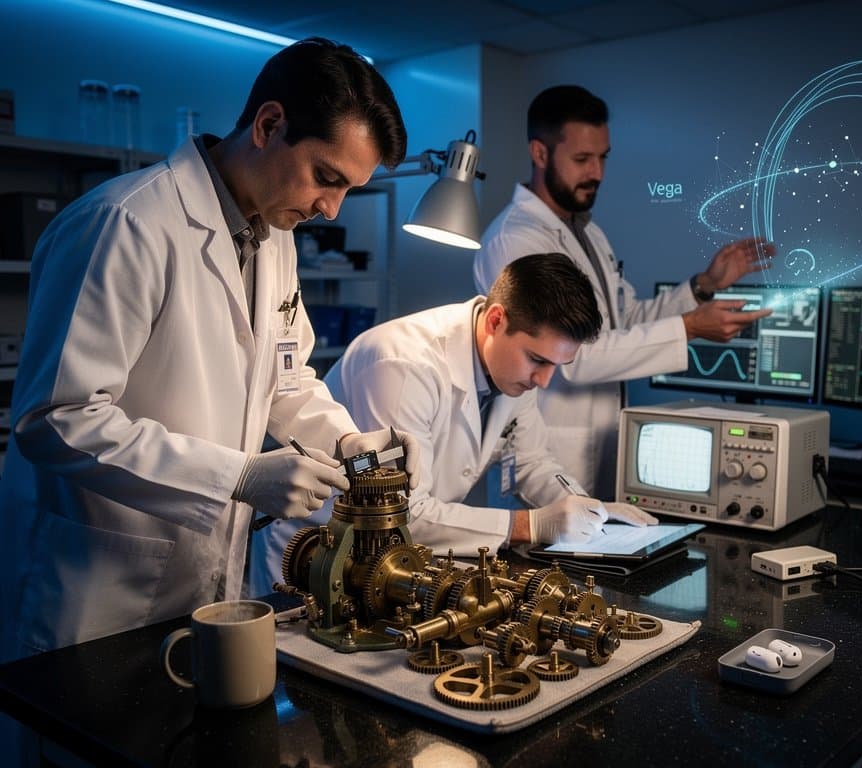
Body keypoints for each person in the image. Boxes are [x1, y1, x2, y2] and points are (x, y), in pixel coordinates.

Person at [0, 38, 421, 663]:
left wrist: (348, 444)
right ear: (269, 125)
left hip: (205, 578)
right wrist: (239, 477)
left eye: (348, 190)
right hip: (97, 591)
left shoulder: (274, 235)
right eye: (327, 177)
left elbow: (284, 378)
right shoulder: (126, 223)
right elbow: (56, 420)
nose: (330, 209)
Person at [251, 253, 656, 584]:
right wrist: (529, 526)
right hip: (318, 554)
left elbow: (531, 462)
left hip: (395, 562)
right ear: (496, 320)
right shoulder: (403, 365)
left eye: (556, 365)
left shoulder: (513, 373)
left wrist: (585, 508)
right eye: (537, 360)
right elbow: (403, 512)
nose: (544, 380)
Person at [474, 84, 775, 499]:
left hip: (600, 450)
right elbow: (572, 355)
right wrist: (688, 328)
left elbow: (625, 318)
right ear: (540, 153)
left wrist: (703, 286)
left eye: (603, 158)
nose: (597, 173)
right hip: (545, 457)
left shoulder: (588, 233)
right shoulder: (516, 240)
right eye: (582, 159)